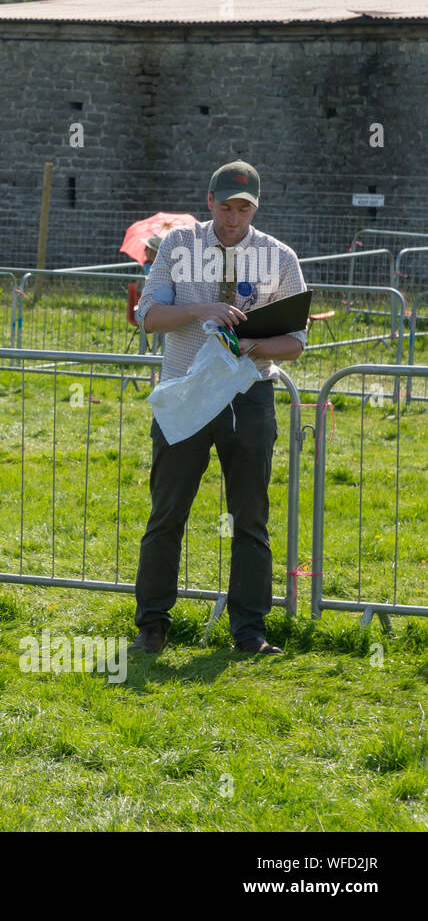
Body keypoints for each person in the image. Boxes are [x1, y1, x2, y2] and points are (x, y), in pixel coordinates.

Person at [131, 160, 308, 658]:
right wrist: (200, 309)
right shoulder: (178, 245)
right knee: (168, 512)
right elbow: (148, 316)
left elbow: (296, 341)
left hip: (248, 396)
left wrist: (256, 346)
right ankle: (152, 625)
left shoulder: (279, 257)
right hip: (186, 391)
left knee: (249, 516)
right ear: (210, 202)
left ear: (256, 207)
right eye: (226, 206)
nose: (234, 218)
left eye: (244, 208)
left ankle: (249, 630)